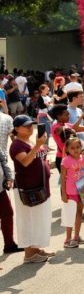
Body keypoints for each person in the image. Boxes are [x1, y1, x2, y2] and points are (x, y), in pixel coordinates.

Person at [10, 115, 53, 264]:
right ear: (17, 129)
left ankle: (36, 249)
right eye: (26, 125)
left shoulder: (28, 141)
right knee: (29, 220)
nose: (30, 127)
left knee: (39, 219)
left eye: (31, 125)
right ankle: (29, 254)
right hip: (27, 189)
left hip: (38, 186)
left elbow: (36, 158)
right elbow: (26, 161)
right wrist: (38, 145)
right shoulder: (16, 145)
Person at [58, 136, 84, 248]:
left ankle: (76, 236)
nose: (76, 150)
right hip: (70, 192)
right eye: (72, 148)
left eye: (78, 147)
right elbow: (62, 178)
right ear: (67, 149)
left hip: (82, 191)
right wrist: (63, 193)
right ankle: (67, 239)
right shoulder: (66, 161)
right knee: (70, 215)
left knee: (79, 213)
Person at [0, 109, 21, 256]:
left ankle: (9, 244)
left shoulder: (6, 119)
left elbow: (2, 157)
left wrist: (9, 176)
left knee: (7, 212)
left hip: (0, 177)